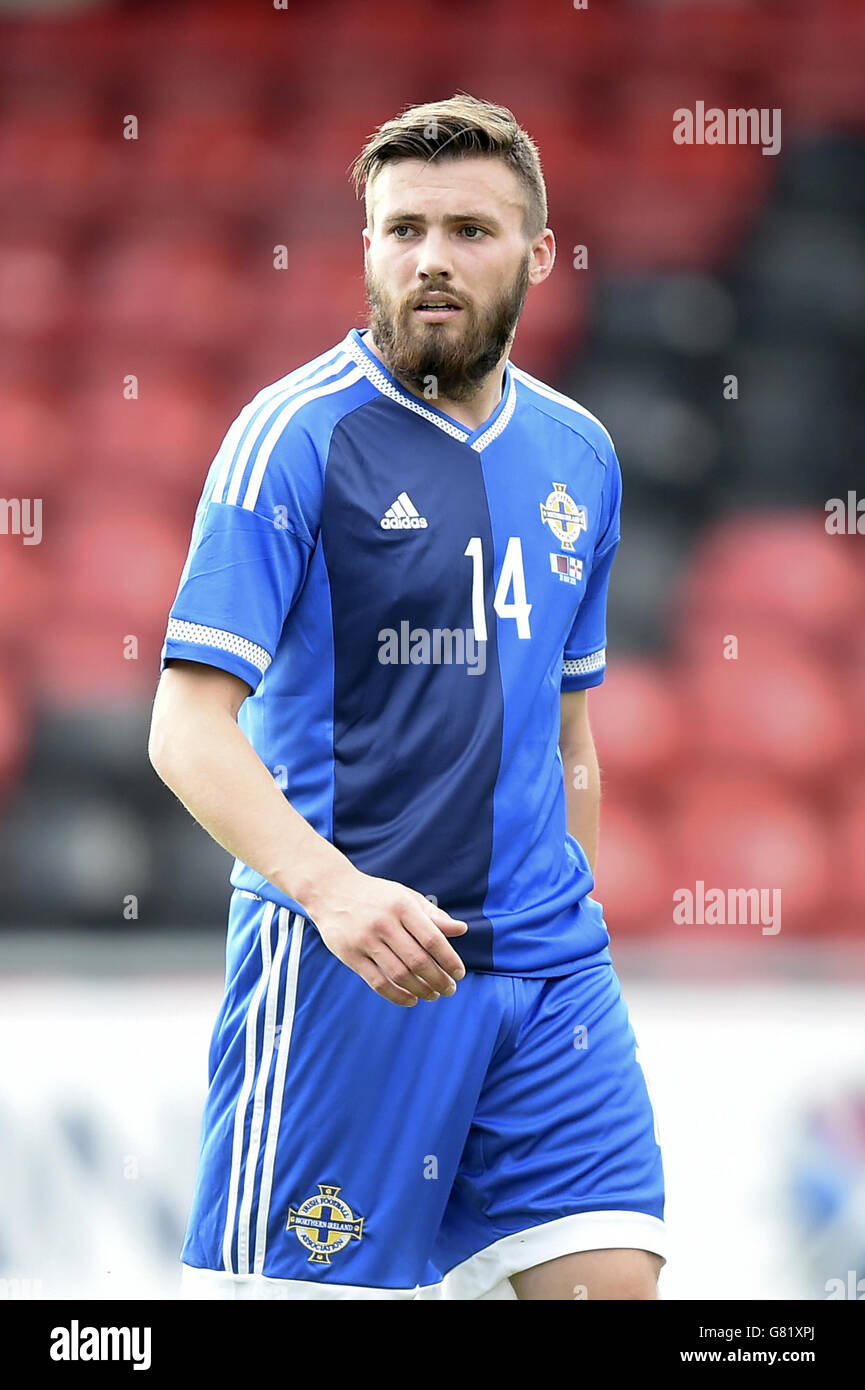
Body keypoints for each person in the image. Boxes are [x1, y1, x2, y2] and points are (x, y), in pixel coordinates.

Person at [149, 93, 666, 1301]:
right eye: (403, 228)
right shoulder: (291, 436)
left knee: (611, 1286)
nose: (431, 257)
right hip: (350, 969)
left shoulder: (581, 452)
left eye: (470, 231)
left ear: (538, 255)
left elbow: (566, 723)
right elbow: (185, 726)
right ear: (366, 244)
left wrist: (571, 913)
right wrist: (331, 895)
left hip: (547, 978)